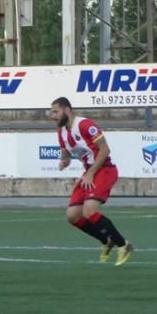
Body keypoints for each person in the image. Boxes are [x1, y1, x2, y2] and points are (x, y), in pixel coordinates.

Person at [51, 96, 133, 266]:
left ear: (67, 110)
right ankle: (106, 241)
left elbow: (105, 150)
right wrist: (64, 161)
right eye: (51, 112)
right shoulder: (62, 132)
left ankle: (123, 245)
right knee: (72, 216)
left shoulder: (85, 125)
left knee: (89, 210)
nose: (53, 116)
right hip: (89, 172)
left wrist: (90, 173)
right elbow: (65, 152)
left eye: (55, 111)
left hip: (104, 170)